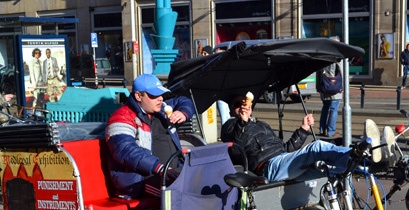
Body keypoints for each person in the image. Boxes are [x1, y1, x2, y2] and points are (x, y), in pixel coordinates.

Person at [220, 94, 354, 183]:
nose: (242, 106)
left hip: (284, 162)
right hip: (269, 167)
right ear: (231, 110)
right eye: (237, 104)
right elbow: (235, 152)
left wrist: (303, 129)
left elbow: (286, 149)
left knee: (333, 170)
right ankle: (355, 155)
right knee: (317, 146)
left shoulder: (261, 124)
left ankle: (364, 166)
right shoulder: (229, 126)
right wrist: (242, 124)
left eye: (244, 102)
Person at [105, 74, 195, 199]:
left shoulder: (161, 109)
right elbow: (126, 151)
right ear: (138, 96)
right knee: (183, 192)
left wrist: (183, 112)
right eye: (153, 95)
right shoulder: (121, 117)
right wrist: (158, 168)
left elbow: (184, 100)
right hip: (139, 182)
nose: (160, 99)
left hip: (171, 172)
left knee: (207, 177)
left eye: (161, 94)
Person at [199, 45, 231, 124]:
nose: (203, 55)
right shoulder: (214, 64)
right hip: (222, 92)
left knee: (224, 116)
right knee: (226, 115)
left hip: (220, 93)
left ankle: (225, 134)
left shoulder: (212, 65)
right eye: (202, 53)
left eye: (205, 53)